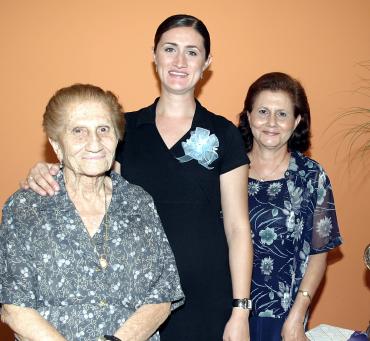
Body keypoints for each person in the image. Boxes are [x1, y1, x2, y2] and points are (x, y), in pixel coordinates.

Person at [19, 15, 253, 341]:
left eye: (192, 52)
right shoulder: (122, 129)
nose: (179, 61)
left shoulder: (224, 133)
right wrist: (44, 169)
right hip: (136, 302)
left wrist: (241, 309)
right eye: (170, 49)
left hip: (208, 297)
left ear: (207, 62)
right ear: (154, 55)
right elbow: (83, 179)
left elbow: (238, 227)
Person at [0, 84, 184, 341]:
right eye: (78, 131)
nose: (95, 143)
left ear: (117, 137)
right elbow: (13, 306)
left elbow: (162, 295)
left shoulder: (139, 203)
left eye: (104, 129)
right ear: (57, 145)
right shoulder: (25, 208)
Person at [238, 72, 343, 341]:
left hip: (285, 317)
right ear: (248, 116)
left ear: (296, 121)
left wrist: (298, 315)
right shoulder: (228, 172)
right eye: (262, 111)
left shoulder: (311, 176)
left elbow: (318, 254)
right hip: (230, 314)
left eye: (282, 114)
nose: (271, 122)